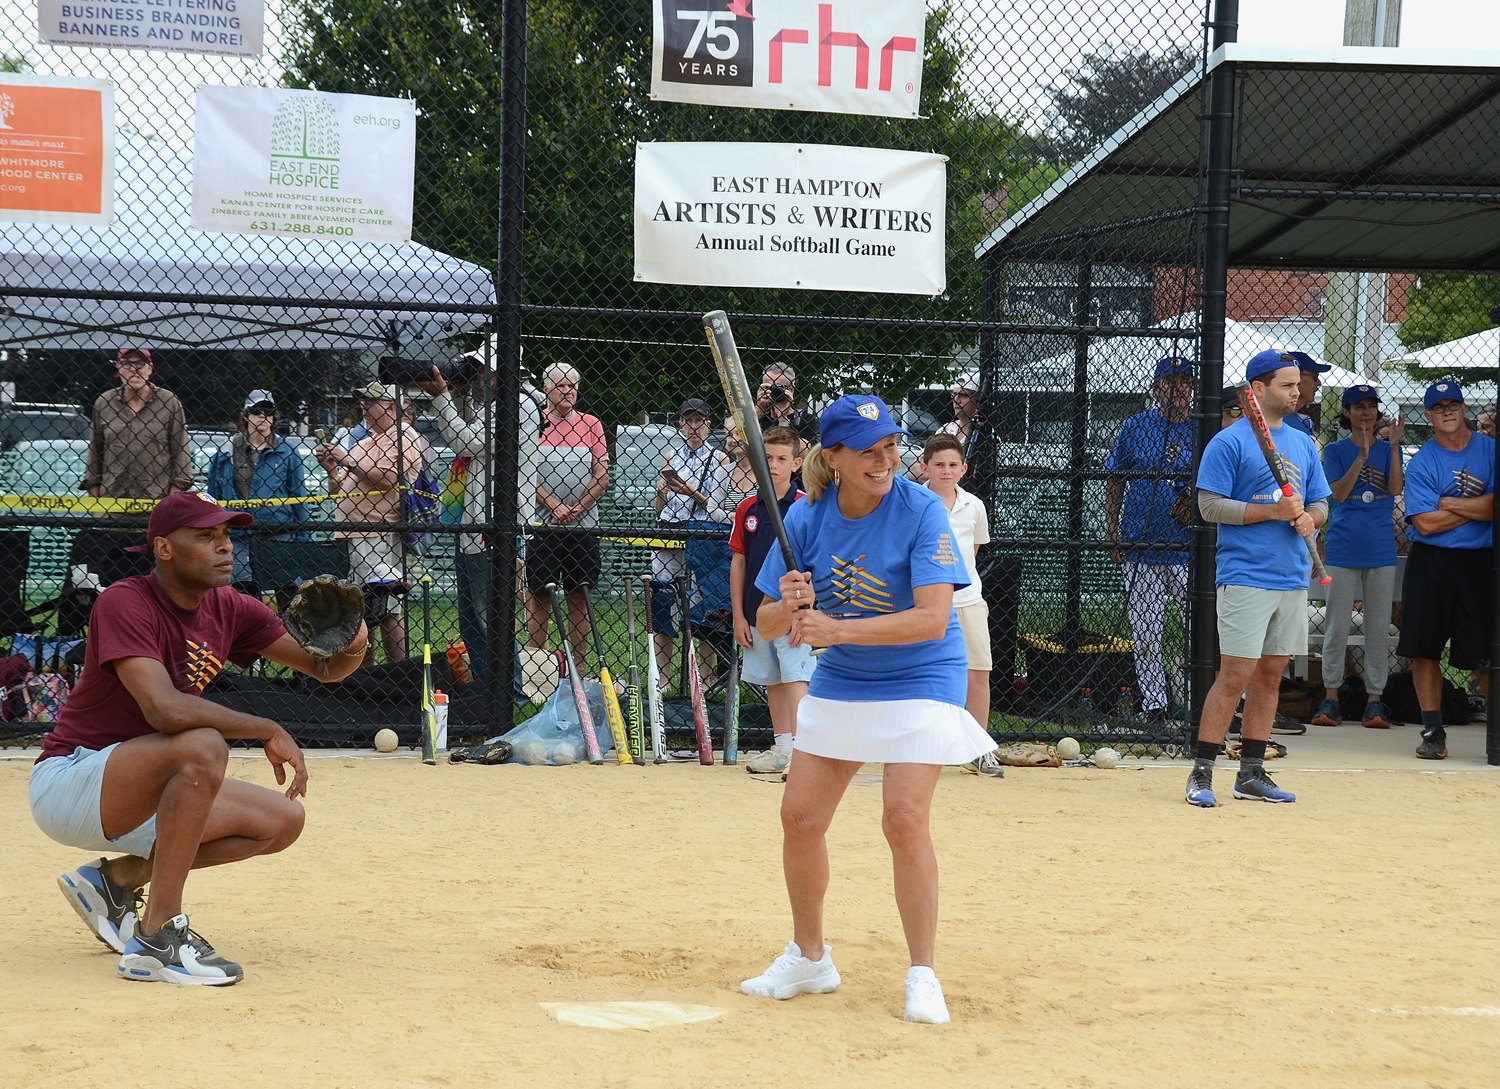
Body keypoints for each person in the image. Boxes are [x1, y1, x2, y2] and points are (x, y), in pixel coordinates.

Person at [30, 491, 367, 985]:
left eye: (227, 535)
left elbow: (325, 669)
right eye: (206, 536)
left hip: (148, 789)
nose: (224, 546)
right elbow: (163, 709)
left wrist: (355, 638)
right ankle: (156, 937)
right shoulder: (124, 600)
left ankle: (115, 882)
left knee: (282, 821)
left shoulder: (229, 607)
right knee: (203, 744)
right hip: (75, 781)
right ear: (164, 549)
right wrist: (267, 729)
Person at [739, 395, 995, 1025]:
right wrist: (788, 603)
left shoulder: (920, 511)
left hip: (922, 675)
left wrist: (836, 630)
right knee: (799, 817)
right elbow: (769, 621)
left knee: (903, 818)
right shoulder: (806, 517)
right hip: (847, 679)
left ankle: (923, 972)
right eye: (868, 450)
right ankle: (810, 957)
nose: (886, 460)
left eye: (890, 447)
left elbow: (934, 620)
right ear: (834, 458)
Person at [1186, 350, 1331, 807]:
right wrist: (1272, 511)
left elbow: (1322, 502)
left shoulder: (1304, 442)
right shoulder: (1229, 442)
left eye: (1298, 384)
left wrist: (1311, 518)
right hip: (1246, 575)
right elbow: (1209, 506)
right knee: (1235, 675)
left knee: (1271, 676)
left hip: (1290, 576)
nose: (1297, 391)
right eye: (1287, 385)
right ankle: (1202, 772)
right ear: (1258, 390)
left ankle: (1251, 772)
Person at [420, 348, 544, 698]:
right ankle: (489, 690)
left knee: (491, 615)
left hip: (492, 525)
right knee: (471, 619)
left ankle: (510, 692)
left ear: (498, 371)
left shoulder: (518, 403)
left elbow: (468, 441)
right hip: (478, 522)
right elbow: (469, 433)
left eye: (479, 370)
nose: (475, 377)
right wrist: (456, 396)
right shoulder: (496, 405)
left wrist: (444, 397)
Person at [1397, 380, 1495, 760]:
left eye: (1453, 404)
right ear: (1430, 415)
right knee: (1424, 650)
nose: (1447, 411)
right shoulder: (1422, 461)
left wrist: (1446, 503)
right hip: (1432, 562)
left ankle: (1497, 730)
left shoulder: (1490, 450)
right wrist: (1477, 506)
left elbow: (1494, 509)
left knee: (1487, 654)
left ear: (1464, 408)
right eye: (1439, 407)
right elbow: (1424, 525)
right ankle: (1433, 732)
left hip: (1480, 562)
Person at [1103, 357, 1195, 724]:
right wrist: (1114, 531)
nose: (1179, 389)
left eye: (1185, 382)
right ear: (1157, 387)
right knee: (1146, 631)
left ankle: (1196, 699)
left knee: (1200, 627)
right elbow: (1115, 479)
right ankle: (1155, 703)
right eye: (1171, 382)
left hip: (1188, 547)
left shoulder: (1203, 428)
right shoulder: (1136, 426)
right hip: (1141, 542)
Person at [1309, 384, 1403, 729]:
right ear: (1346, 412)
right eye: (1358, 407)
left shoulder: (1391, 447)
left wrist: (1391, 448)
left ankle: (1374, 700)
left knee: (1379, 626)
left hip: (1380, 548)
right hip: (1343, 547)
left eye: (1371, 406)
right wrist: (1361, 457)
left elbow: (1395, 488)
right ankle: (1331, 698)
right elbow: (1340, 494)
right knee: (1336, 624)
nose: (1366, 412)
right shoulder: (1334, 451)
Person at [316, 382, 425, 666]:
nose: (364, 406)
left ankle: (396, 673)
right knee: (359, 609)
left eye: (371, 402)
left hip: (379, 535)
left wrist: (347, 460)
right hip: (356, 536)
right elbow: (339, 491)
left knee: (387, 606)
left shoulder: (403, 435)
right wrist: (332, 469)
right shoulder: (366, 442)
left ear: (391, 406)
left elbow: (389, 478)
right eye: (362, 401)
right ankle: (366, 675)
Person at [729, 426, 814, 777]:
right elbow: (739, 561)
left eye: (782, 459)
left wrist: (802, 615)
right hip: (756, 612)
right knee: (773, 679)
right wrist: (738, 615)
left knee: (796, 678)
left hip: (793, 613)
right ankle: (783, 748)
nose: (774, 465)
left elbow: (813, 565)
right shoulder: (748, 507)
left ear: (797, 463)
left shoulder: (805, 506)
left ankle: (806, 754)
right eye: (767, 458)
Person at [917, 433, 1001, 778]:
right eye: (938, 464)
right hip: (923, 604)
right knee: (923, 676)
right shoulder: (914, 501)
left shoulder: (974, 506)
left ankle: (978, 748)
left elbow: (974, 549)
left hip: (967, 601)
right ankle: (921, 747)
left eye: (953, 465)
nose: (946, 471)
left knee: (978, 672)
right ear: (925, 466)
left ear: (964, 468)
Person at [77, 347, 194, 588]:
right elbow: (94, 459)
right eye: (127, 363)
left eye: (140, 364)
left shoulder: (169, 402)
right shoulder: (104, 402)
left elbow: (181, 458)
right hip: (112, 514)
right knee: (112, 587)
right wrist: (99, 508)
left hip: (154, 515)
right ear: (118, 369)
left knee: (157, 588)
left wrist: (168, 508)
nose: (134, 369)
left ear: (151, 369)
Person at [527, 364, 609, 652]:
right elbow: (524, 473)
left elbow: (602, 475)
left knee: (579, 595)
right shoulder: (533, 422)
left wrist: (576, 508)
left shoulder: (591, 424)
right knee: (539, 595)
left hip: (582, 526)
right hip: (542, 525)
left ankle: (580, 666)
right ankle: (538, 664)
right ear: (547, 389)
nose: (567, 391)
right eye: (561, 385)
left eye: (572, 386)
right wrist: (553, 506)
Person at [649, 398, 727, 683]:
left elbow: (715, 506)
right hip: (669, 527)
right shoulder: (671, 456)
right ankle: (664, 677)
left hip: (700, 529)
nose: (694, 426)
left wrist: (690, 491)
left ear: (708, 424)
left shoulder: (718, 459)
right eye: (688, 421)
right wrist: (663, 490)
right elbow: (661, 506)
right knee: (663, 599)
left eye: (699, 421)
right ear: (681, 424)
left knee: (701, 603)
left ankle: (703, 677)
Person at [206, 390, 310, 595]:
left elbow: (299, 495)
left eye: (268, 412)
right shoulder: (226, 452)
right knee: (242, 594)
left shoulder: (287, 451)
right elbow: (214, 496)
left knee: (286, 593)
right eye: (256, 411)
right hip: (239, 533)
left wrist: (303, 539)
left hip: (278, 533)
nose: (263, 416)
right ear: (246, 415)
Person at [755, 364, 820, 447]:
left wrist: (783, 419)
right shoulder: (759, 418)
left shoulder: (804, 419)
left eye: (779, 387)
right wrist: (758, 409)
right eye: (769, 387)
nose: (774, 391)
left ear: (791, 390)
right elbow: (736, 437)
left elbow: (804, 453)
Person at [1280, 351, 1332, 437]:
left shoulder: (1303, 422)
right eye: (1315, 377)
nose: (1319, 383)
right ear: (1296, 377)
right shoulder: (1273, 421)